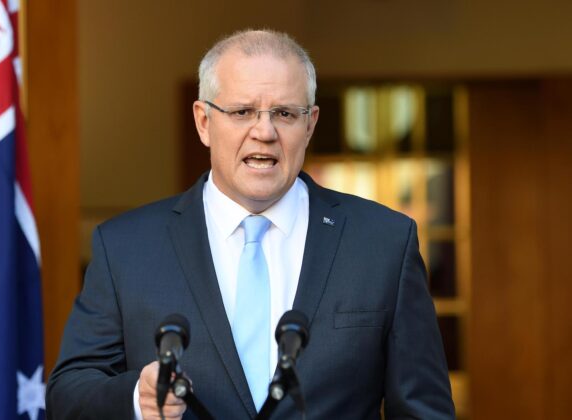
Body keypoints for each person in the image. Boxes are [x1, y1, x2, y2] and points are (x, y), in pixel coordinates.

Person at [46, 29, 455, 419]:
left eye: (284, 113)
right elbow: (68, 395)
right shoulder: (126, 248)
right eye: (242, 112)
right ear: (204, 122)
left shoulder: (383, 243)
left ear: (310, 124)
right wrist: (138, 399)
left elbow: (425, 411)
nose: (264, 132)